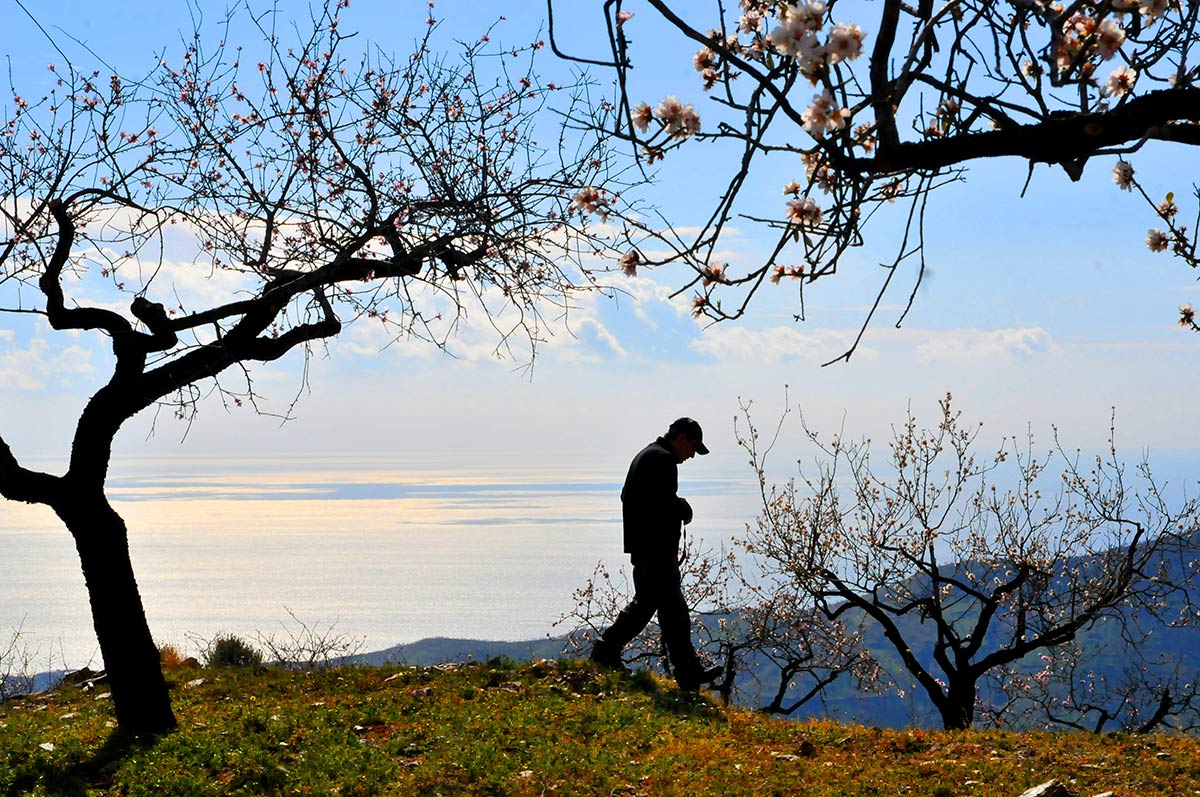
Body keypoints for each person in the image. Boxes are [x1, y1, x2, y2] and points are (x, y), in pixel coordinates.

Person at [590, 417, 724, 690]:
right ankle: (688, 673)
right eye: (693, 449)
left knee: (647, 606)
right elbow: (660, 504)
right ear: (683, 439)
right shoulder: (662, 460)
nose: (691, 457)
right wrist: (682, 508)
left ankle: (606, 651)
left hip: (645, 548)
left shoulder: (647, 455)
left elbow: (633, 498)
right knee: (674, 612)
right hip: (656, 551)